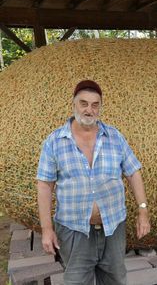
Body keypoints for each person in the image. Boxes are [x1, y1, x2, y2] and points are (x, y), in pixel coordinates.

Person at [36, 80, 150, 285]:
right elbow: (45, 185)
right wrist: (46, 229)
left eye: (95, 104)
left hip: (113, 227)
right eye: (84, 103)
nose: (89, 110)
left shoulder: (114, 137)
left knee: (115, 280)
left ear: (100, 107)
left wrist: (143, 211)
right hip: (73, 230)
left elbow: (133, 172)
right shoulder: (54, 141)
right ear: (73, 105)